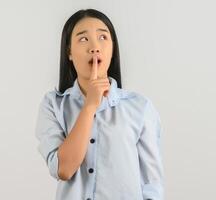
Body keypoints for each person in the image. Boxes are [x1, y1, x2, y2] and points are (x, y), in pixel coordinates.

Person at [35, 8, 164, 200]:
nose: (95, 47)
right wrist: (89, 106)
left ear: (112, 50)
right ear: (69, 52)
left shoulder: (140, 107)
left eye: (103, 37)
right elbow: (63, 169)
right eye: (83, 39)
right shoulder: (53, 104)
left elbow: (151, 184)